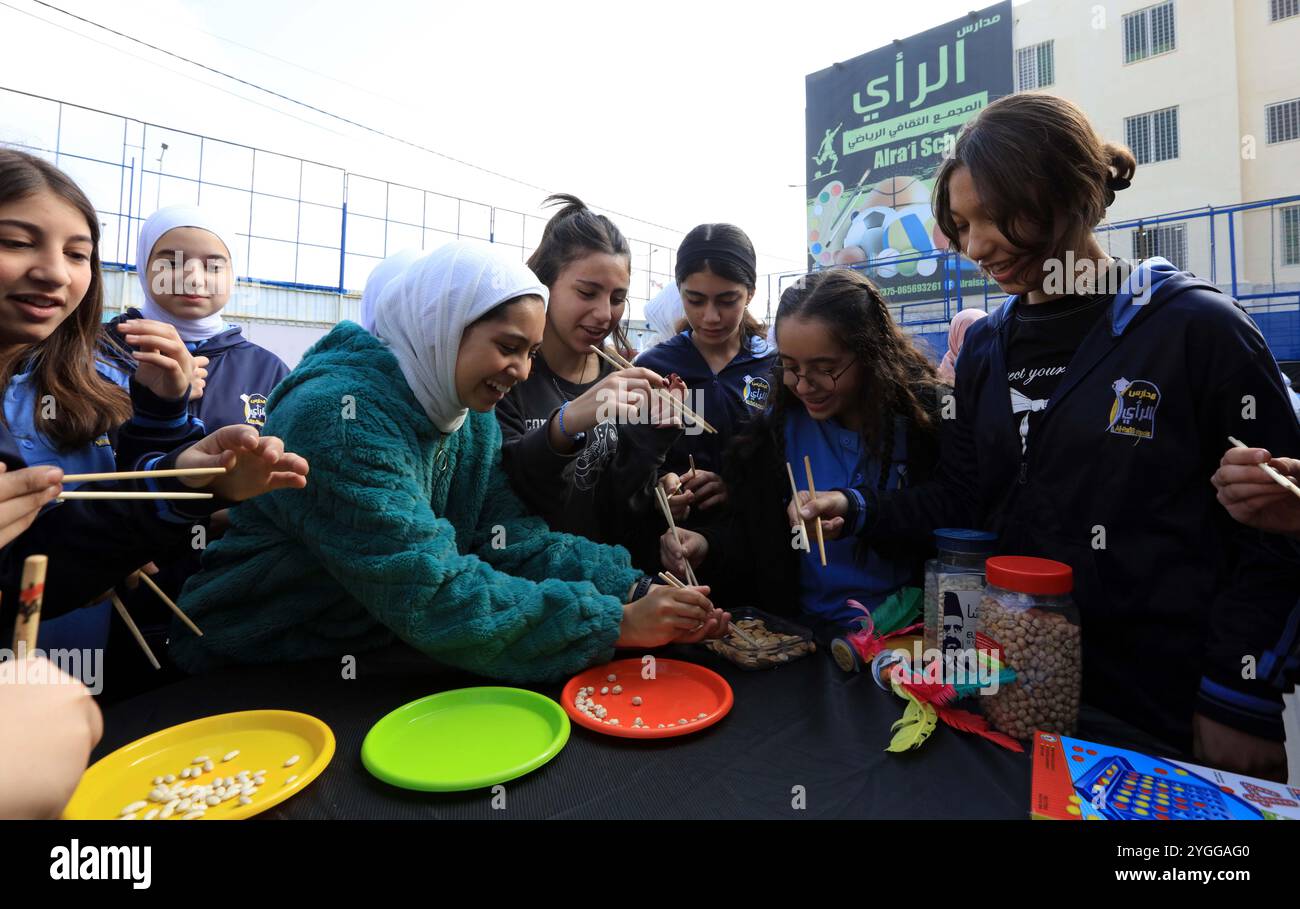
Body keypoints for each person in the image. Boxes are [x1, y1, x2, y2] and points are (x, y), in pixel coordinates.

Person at [789, 93, 1300, 780]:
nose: (978, 245)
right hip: (1010, 696)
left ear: (1073, 193)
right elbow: (965, 504)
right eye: (964, 223)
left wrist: (1241, 691)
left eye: (999, 216)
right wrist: (858, 507)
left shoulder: (1196, 330)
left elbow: (1276, 526)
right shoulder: (987, 349)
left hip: (1166, 712)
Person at [174, 241, 727, 680]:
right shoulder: (338, 420)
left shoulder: (464, 411)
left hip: (374, 648)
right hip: (262, 672)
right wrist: (615, 624)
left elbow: (512, 539)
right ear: (442, 323)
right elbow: (431, 591)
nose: (522, 372)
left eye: (530, 353)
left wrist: (633, 588)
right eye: (508, 347)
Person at [660, 268, 942, 630]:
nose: (804, 385)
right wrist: (707, 544)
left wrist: (854, 506)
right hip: (807, 634)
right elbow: (758, 537)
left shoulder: (925, 420)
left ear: (871, 352)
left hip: (912, 633)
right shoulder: (777, 430)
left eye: (825, 368)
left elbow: (950, 510)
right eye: (790, 367)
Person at [495, 195, 681, 571]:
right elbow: (502, 490)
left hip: (611, 591)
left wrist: (657, 481)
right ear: (545, 284)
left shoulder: (620, 378)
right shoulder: (506, 374)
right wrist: (567, 422)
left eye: (617, 298)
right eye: (587, 292)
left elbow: (619, 510)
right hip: (529, 588)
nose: (603, 314)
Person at [635, 223, 778, 524]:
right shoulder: (650, 369)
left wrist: (736, 488)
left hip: (757, 545)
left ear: (750, 294)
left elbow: (790, 466)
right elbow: (626, 469)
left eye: (727, 300)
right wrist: (658, 490)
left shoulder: (774, 367)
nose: (710, 317)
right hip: (672, 550)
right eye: (695, 300)